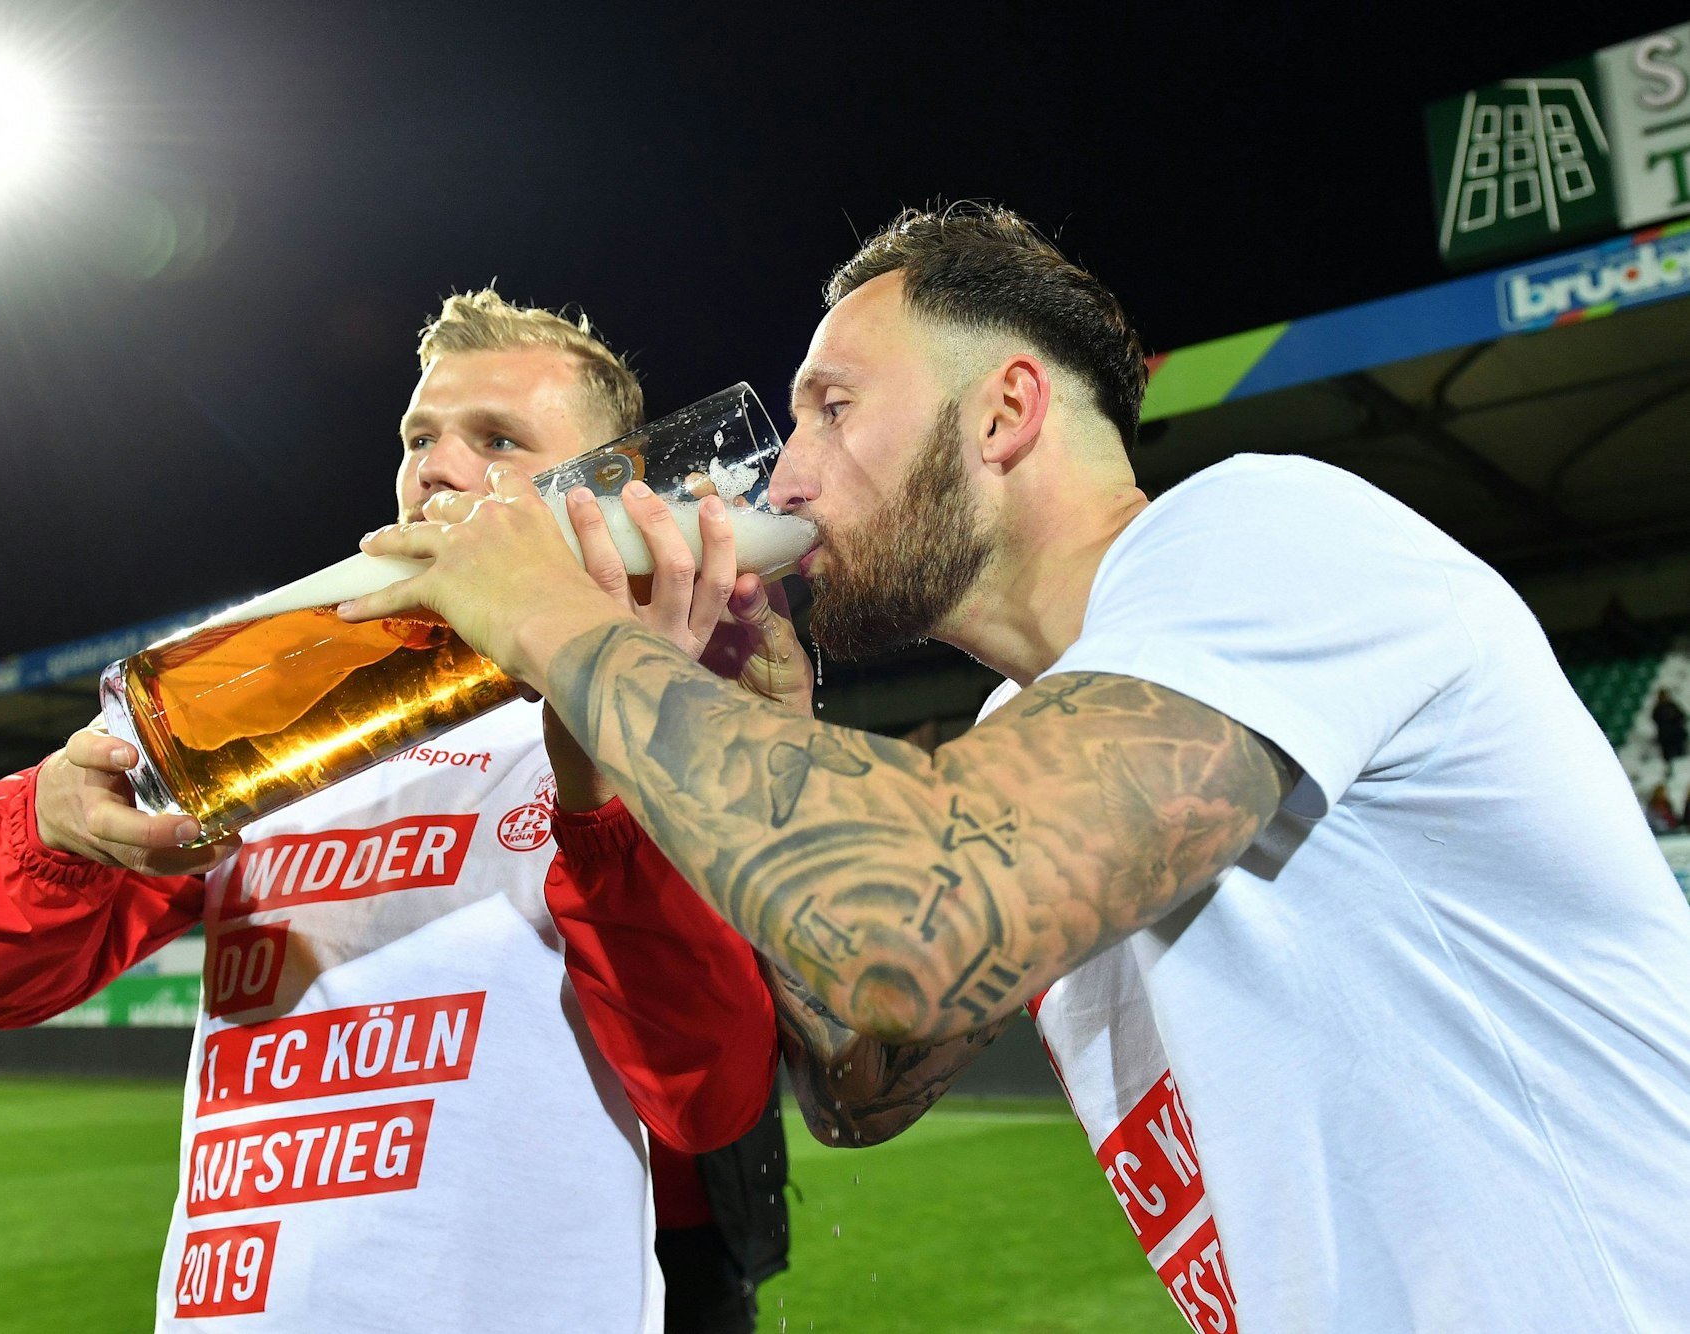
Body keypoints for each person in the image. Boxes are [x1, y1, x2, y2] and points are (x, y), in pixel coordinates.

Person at [343, 205, 1690, 1332]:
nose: (785, 474)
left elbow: (913, 926)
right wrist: (772, 705)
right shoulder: (1019, 733)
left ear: (1002, 413)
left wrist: (554, 618)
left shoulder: (1267, 534)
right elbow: (856, 1081)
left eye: (829, 407)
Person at [0, 293, 786, 1332]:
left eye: (497, 439)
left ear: (605, 491)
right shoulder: (273, 705)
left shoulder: (656, 721)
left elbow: (712, 1095)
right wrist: (53, 826)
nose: (435, 464)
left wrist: (604, 787)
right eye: (419, 435)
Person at [1654, 687, 1686, 774]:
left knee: (1681, 758)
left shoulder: (1672, 706)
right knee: (1668, 759)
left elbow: (1682, 716)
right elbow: (1656, 720)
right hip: (1665, 738)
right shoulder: (1657, 709)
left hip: (1677, 736)